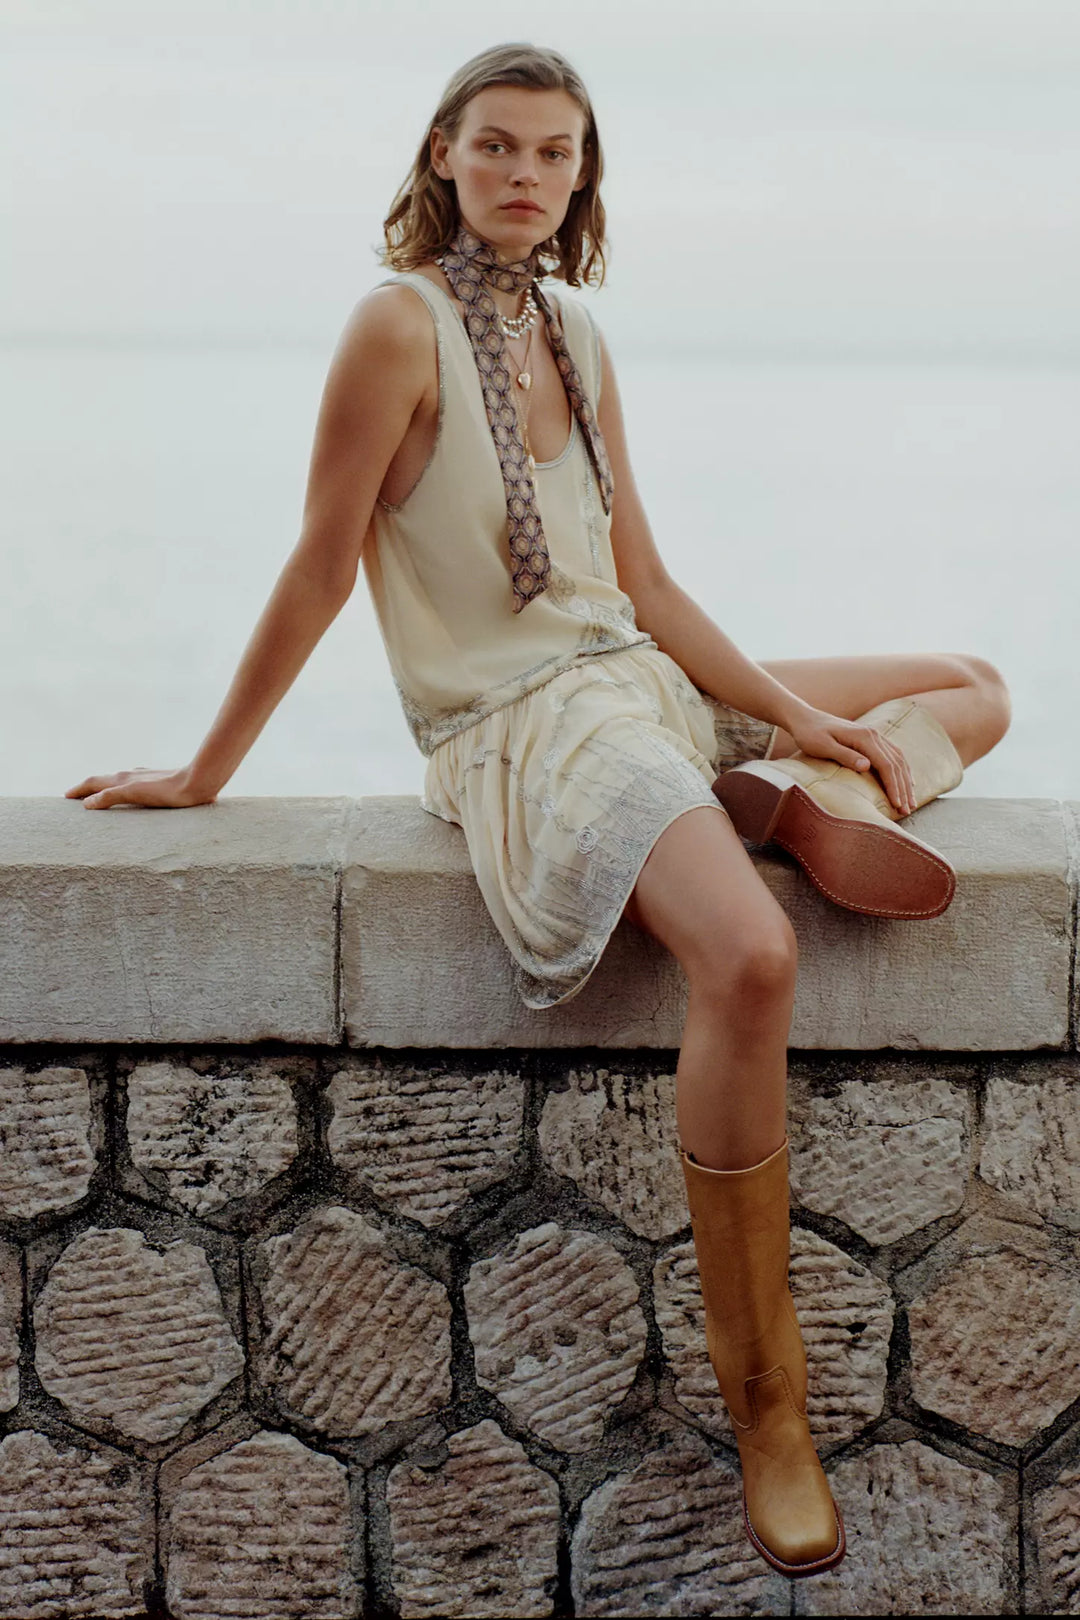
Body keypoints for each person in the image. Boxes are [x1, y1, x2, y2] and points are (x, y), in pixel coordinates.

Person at [66, 41, 1011, 1579]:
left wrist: (790, 707)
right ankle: (769, 1405)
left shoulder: (576, 330)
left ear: (584, 176)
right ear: (442, 153)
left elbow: (646, 587)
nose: (524, 174)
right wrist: (205, 771)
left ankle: (783, 780)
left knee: (972, 684)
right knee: (752, 958)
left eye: (555, 153)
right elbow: (319, 567)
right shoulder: (396, 327)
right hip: (521, 728)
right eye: (497, 145)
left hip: (626, 673)